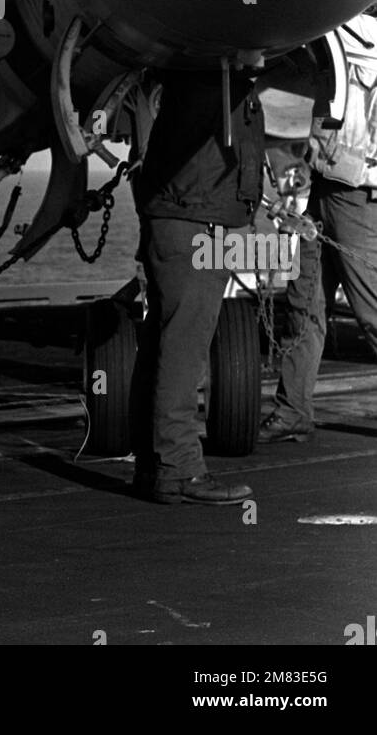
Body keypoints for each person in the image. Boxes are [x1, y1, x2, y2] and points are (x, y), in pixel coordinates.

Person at [129, 67, 260, 505]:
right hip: (195, 224)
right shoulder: (210, 79)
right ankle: (180, 467)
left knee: (165, 343)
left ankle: (156, 468)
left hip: (186, 220)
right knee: (184, 348)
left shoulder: (203, 82)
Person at [260, 10, 377, 443]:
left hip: (356, 192)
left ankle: (293, 410)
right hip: (320, 183)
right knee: (304, 303)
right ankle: (292, 410)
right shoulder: (335, 22)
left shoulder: (355, 29)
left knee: (371, 310)